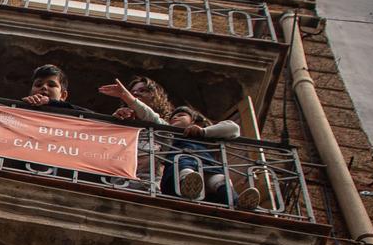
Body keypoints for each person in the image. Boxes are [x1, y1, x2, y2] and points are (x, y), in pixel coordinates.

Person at [101, 78, 261, 209]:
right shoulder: (126, 119)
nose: (136, 93)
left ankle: (236, 203)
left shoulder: (165, 129)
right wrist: (117, 121)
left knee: (217, 179)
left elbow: (233, 129)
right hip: (121, 182)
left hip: (150, 184)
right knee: (184, 166)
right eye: (133, 91)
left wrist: (203, 132)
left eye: (143, 90)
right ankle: (192, 191)